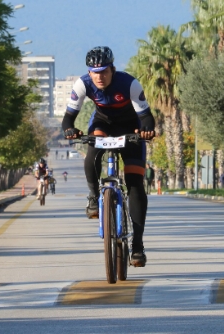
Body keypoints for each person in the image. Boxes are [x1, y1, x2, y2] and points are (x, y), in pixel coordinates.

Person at [62, 46, 155, 267]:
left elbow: (147, 117)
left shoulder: (129, 84)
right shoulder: (82, 84)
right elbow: (68, 119)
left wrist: (147, 131)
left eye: (104, 71)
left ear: (112, 69)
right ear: (89, 72)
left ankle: (138, 246)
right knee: (92, 153)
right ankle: (94, 197)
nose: (99, 76)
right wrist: (70, 130)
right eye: (95, 72)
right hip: (102, 124)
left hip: (130, 127)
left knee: (135, 184)